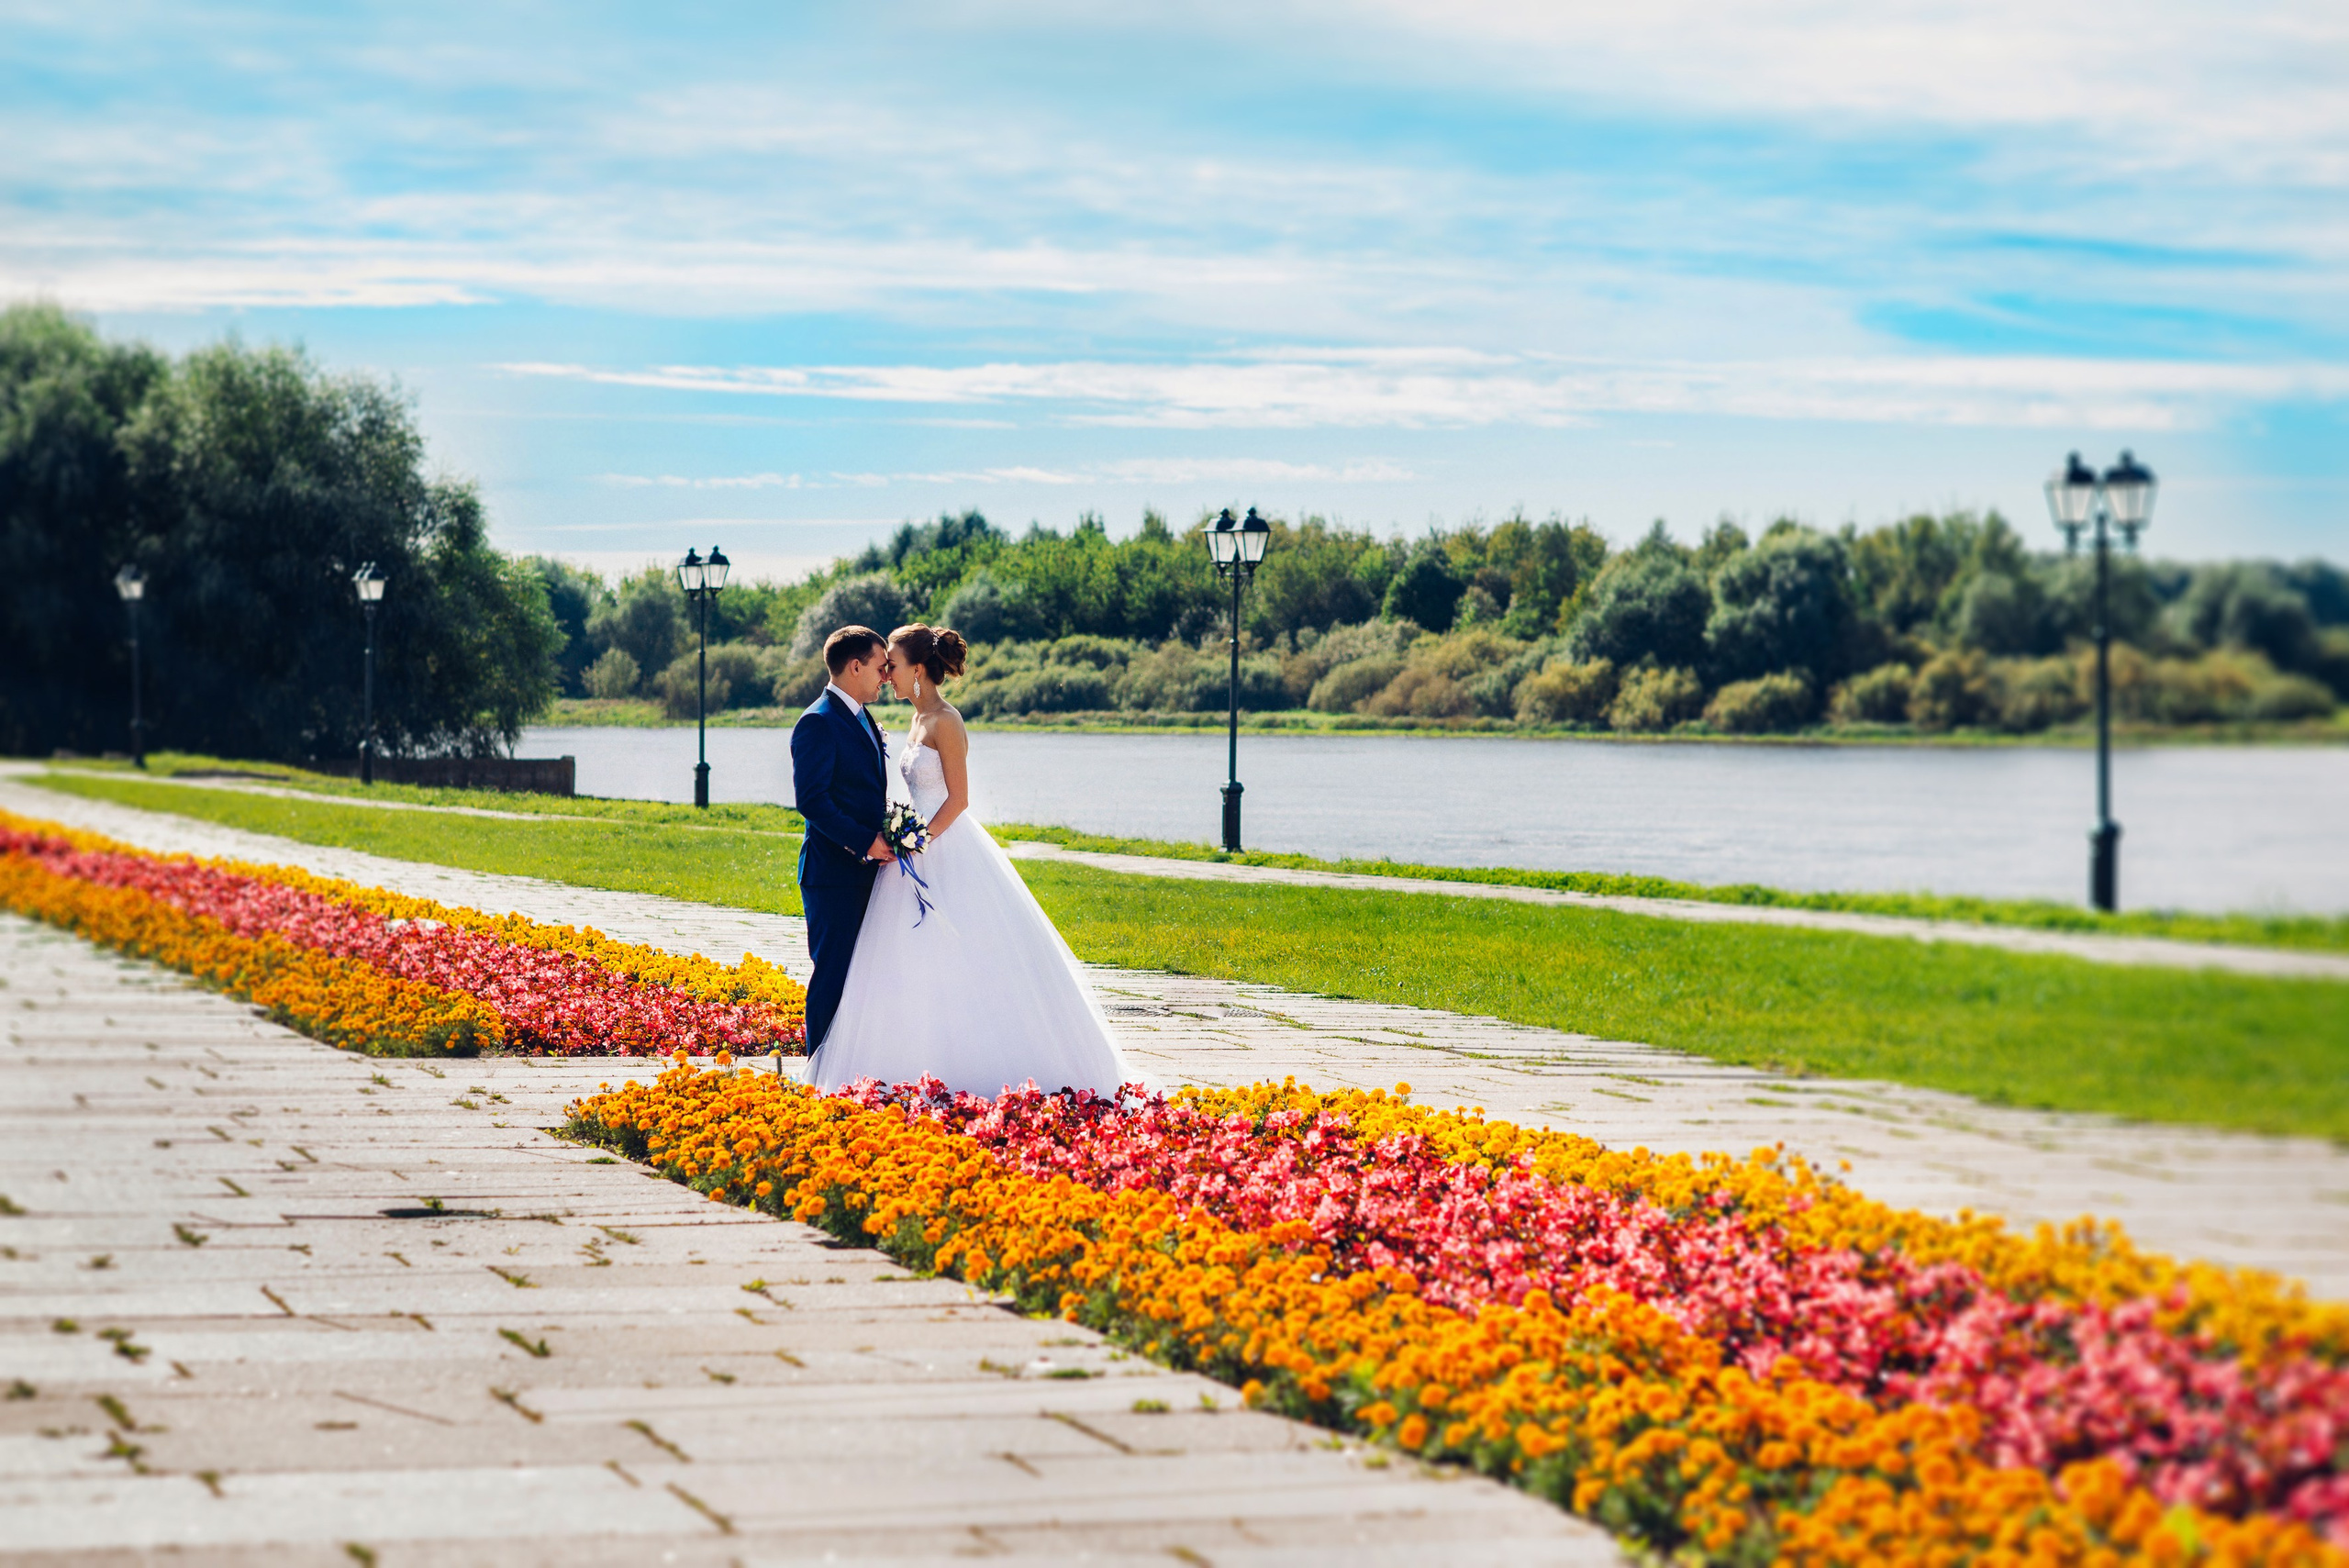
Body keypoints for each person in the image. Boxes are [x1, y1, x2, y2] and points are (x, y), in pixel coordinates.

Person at [809, 622, 1131, 1098]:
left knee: (966, 954)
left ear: (917, 669)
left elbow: (958, 799)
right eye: (883, 667)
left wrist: (917, 839)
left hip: (942, 847)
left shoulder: (946, 720)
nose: (887, 675)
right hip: (911, 853)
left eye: (893, 666)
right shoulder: (916, 720)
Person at [789, 626, 896, 1054]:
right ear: (855, 666)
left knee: (866, 976)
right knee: (833, 975)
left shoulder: (862, 716)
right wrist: (864, 842)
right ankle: (819, 1073)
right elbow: (812, 801)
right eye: (880, 666)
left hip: (866, 873)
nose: (886, 676)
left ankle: (856, 1068)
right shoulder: (818, 721)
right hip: (832, 875)